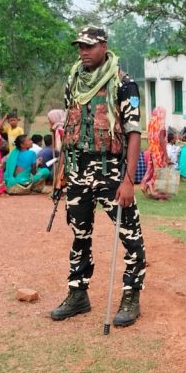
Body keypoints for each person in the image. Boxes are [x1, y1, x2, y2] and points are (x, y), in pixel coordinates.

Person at [50, 25, 147, 328]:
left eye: (89, 46)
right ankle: (78, 293)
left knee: (129, 234)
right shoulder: (74, 80)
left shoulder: (124, 84)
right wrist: (63, 171)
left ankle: (131, 296)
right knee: (80, 233)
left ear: (104, 46)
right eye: (80, 46)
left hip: (111, 170)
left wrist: (128, 180)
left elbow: (133, 134)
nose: (83, 52)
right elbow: (69, 126)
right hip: (78, 167)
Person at [141, 107, 173, 200]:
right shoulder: (161, 126)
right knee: (159, 173)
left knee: (151, 170)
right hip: (159, 153)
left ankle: (145, 186)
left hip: (152, 151)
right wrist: (166, 156)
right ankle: (156, 193)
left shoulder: (151, 123)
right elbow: (162, 142)